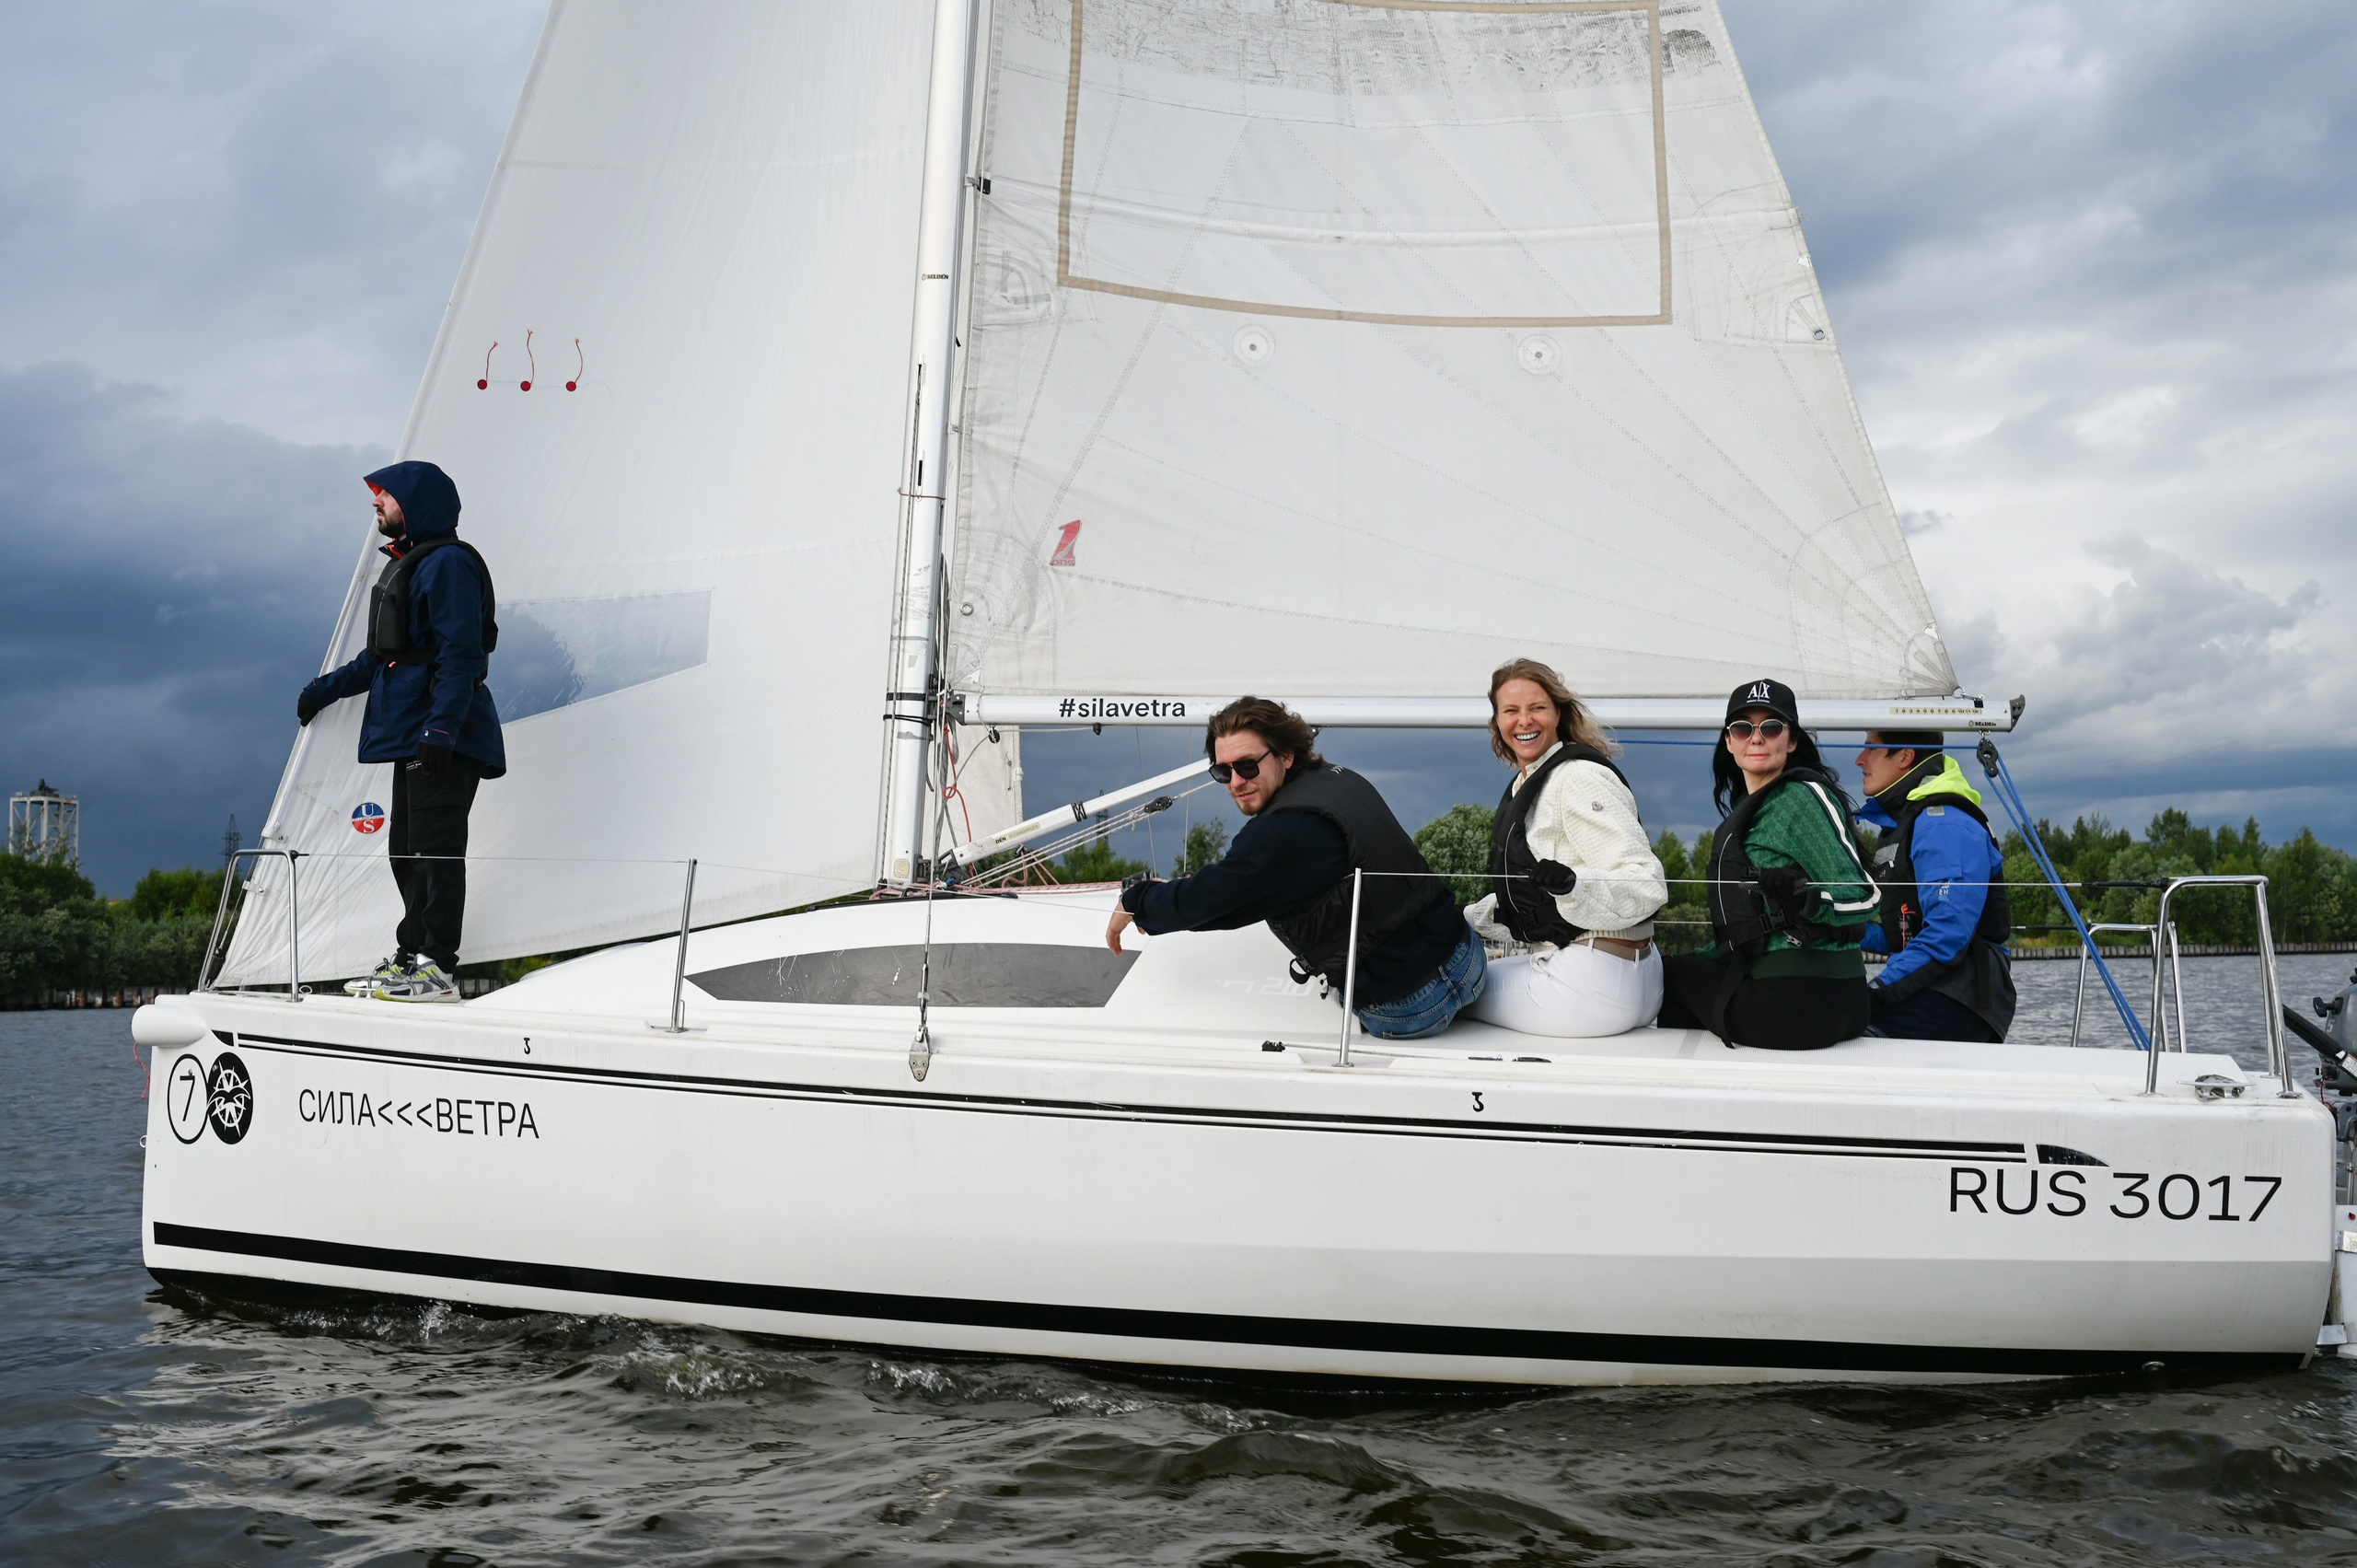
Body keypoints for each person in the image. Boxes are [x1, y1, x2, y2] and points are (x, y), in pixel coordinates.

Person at [1106, 697, 1484, 1040]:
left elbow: (1212, 900)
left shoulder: (1286, 831)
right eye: (1222, 772)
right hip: (1466, 958)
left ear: (1285, 754)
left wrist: (1139, 901)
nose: (1236, 782)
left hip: (1411, 1006)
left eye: (1248, 766)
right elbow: (1254, 872)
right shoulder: (1337, 780)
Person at [296, 461, 505, 1002]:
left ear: (414, 503)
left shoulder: (449, 566)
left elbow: (462, 653)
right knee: (406, 851)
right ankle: (411, 960)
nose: (375, 504)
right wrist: (325, 689)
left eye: (384, 495)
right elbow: (381, 656)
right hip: (417, 732)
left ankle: (437, 971)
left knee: (435, 851)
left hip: (442, 735)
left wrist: (440, 730)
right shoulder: (411, 564)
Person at [1656, 679, 1878, 1050]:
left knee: (1668, 977)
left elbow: (1863, 897)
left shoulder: (1800, 797)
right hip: (1807, 997)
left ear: (1790, 740)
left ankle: (1683, 1096)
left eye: (1771, 727)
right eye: (1743, 728)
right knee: (1681, 966)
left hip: (1807, 1001)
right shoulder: (1752, 813)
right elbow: (1751, 932)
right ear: (1729, 742)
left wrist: (1806, 897)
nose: (1756, 738)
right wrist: (1701, 956)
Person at [1462, 659, 1667, 1036]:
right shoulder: (1531, 783)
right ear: (1497, 723)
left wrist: (1573, 884)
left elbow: (1645, 884)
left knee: (1450, 990)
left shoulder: (1577, 777)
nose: (1524, 721)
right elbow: (1538, 905)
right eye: (1511, 711)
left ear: (1557, 713)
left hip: (1595, 982)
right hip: (1625, 978)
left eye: (1536, 708)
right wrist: (1459, 918)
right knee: (1470, 975)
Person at [1854, 731, 2016, 1041]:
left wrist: (1877, 992)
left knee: (1841, 1033)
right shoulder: (1907, 822)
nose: (1859, 759)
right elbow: (1899, 934)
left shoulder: (1943, 823)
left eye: (1871, 748)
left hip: (1963, 999)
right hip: (1935, 988)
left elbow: (1946, 934)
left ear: (1905, 756)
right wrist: (1828, 924)